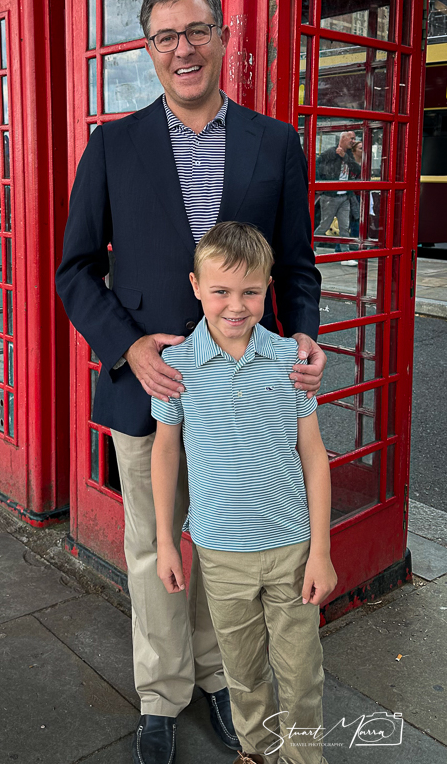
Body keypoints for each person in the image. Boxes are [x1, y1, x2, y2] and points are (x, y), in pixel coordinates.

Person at [56, 0, 325, 764]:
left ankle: (220, 677)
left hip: (247, 394)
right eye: (165, 36)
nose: (183, 48)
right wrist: (128, 345)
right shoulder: (112, 144)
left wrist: (304, 333)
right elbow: (75, 269)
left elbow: (299, 265)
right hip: (155, 387)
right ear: (148, 49)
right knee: (152, 546)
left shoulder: (274, 142)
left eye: (196, 31)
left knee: (226, 546)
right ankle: (161, 691)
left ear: (222, 38)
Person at [151, 221, 336, 764]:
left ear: (268, 288)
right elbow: (166, 454)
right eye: (221, 291)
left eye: (251, 291)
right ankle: (254, 752)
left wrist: (321, 551)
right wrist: (166, 541)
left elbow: (314, 457)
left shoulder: (288, 362)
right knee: (244, 674)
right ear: (195, 286)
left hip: (291, 548)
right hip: (219, 553)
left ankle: (305, 759)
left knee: (301, 673)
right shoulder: (178, 366)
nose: (237, 305)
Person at [314, 131, 360, 265]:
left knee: (344, 226)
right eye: (351, 138)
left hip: (345, 196)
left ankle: (345, 255)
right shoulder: (330, 152)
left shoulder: (348, 154)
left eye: (354, 139)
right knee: (325, 225)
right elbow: (316, 165)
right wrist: (321, 184)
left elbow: (357, 169)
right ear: (343, 139)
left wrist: (344, 156)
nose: (353, 141)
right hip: (330, 196)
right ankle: (311, 247)